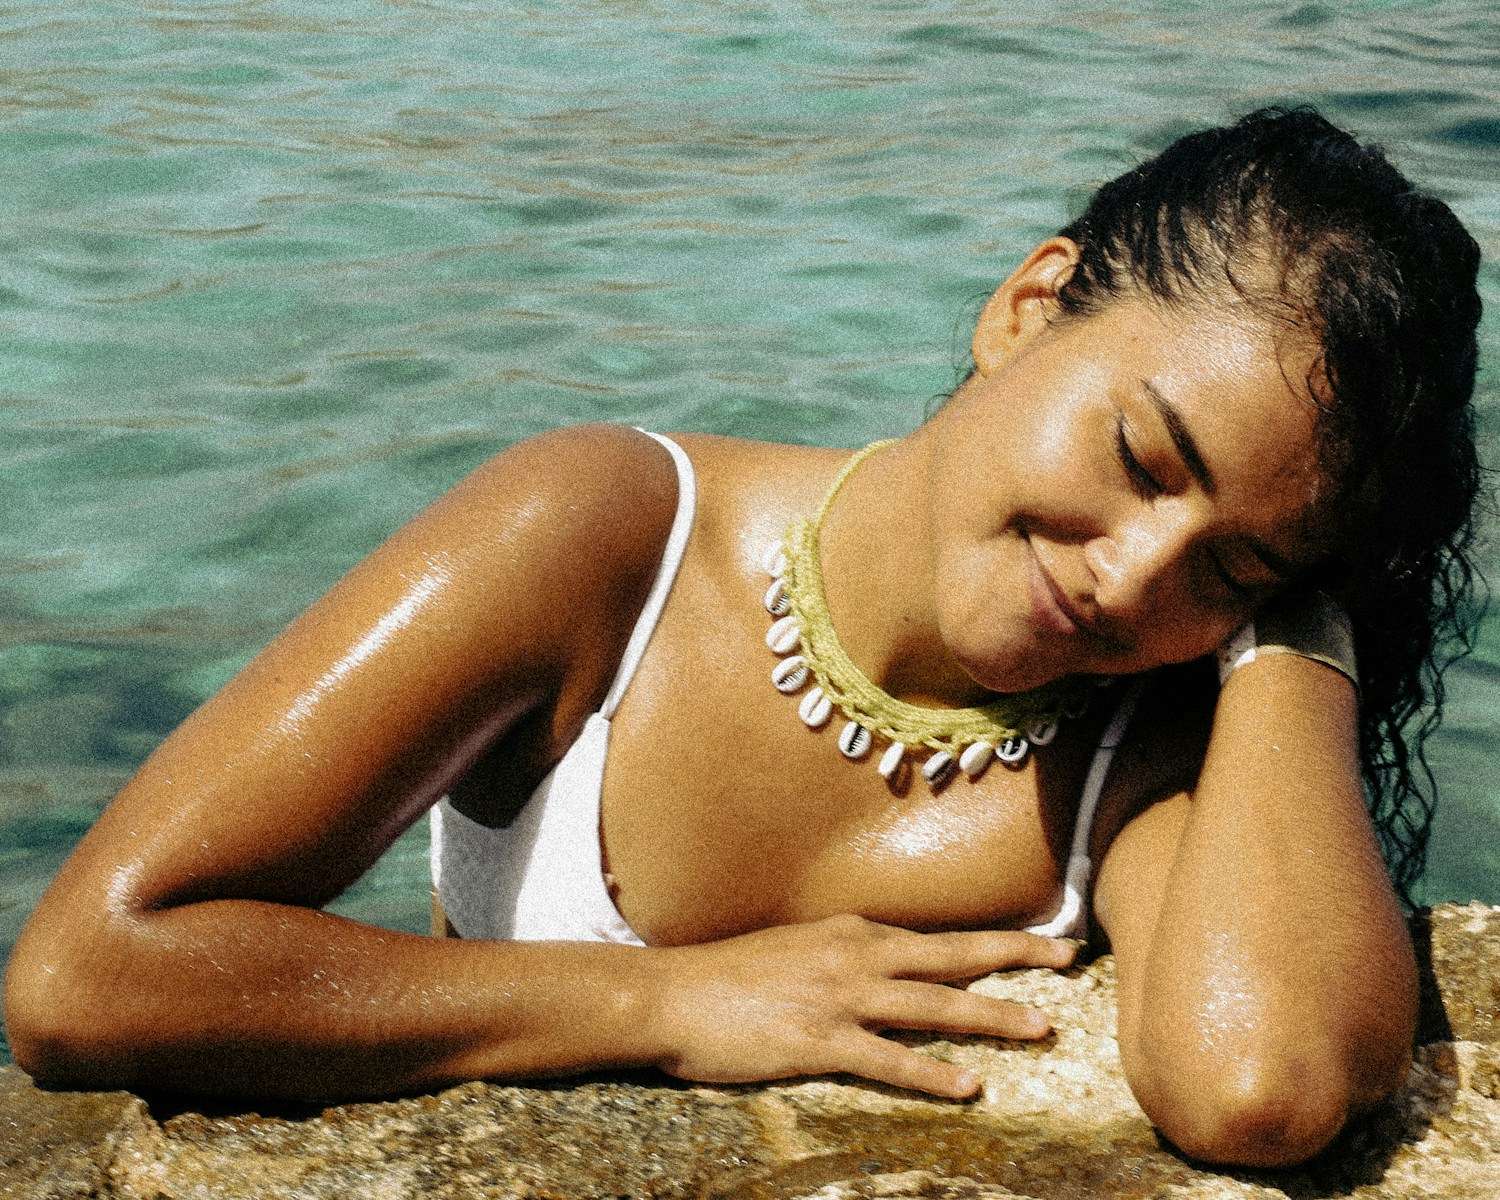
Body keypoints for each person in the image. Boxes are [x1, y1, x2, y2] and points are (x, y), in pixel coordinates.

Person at [4, 106, 1483, 1171]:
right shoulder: (602, 536)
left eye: (1225, 564)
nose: (1133, 576)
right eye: (1144, 459)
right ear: (1030, 310)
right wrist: (663, 1003)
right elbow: (87, 975)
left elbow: (1261, 1083)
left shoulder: (1143, 741)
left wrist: (1300, 633)